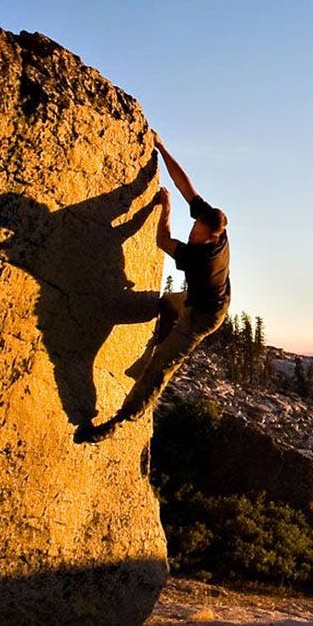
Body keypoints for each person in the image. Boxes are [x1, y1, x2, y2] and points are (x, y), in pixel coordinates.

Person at [78, 137, 230, 442]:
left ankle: (117, 421)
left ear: (213, 239)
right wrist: (162, 149)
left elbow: (163, 241)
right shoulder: (212, 222)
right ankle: (156, 341)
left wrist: (165, 208)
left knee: (160, 368)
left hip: (202, 318)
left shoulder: (202, 257)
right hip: (194, 300)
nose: (193, 235)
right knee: (163, 304)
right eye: (194, 229)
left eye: (197, 235)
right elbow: (186, 185)